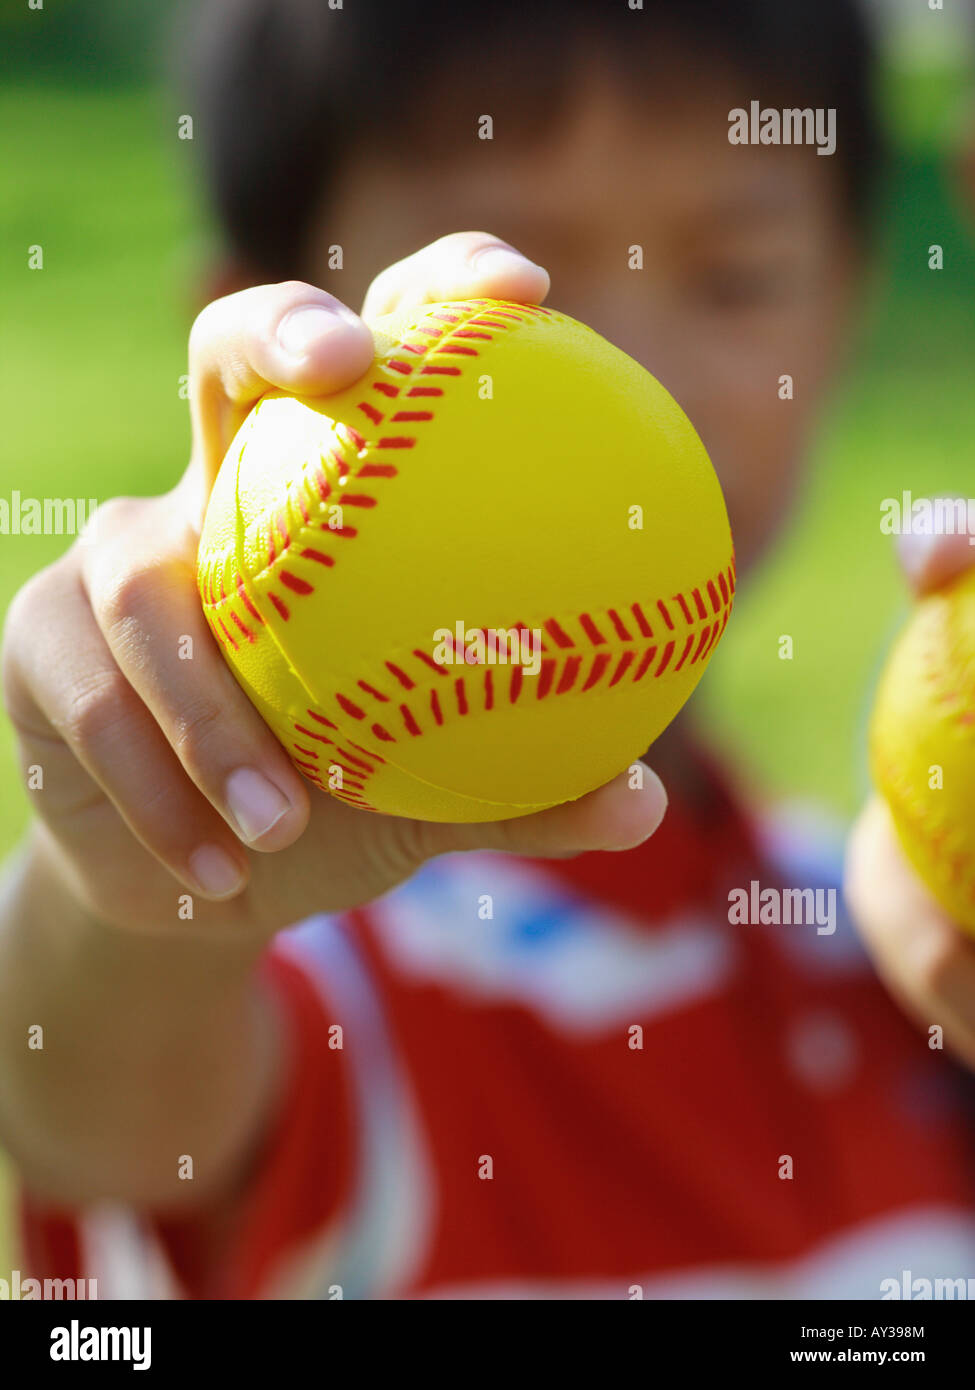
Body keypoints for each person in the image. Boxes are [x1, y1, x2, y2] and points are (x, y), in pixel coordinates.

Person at [3, 0, 975, 1299]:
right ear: (268, 347)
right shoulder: (333, 958)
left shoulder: (878, 932)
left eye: (735, 276)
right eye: (519, 306)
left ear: (848, 302)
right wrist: (149, 900)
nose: (637, 368)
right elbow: (111, 1114)